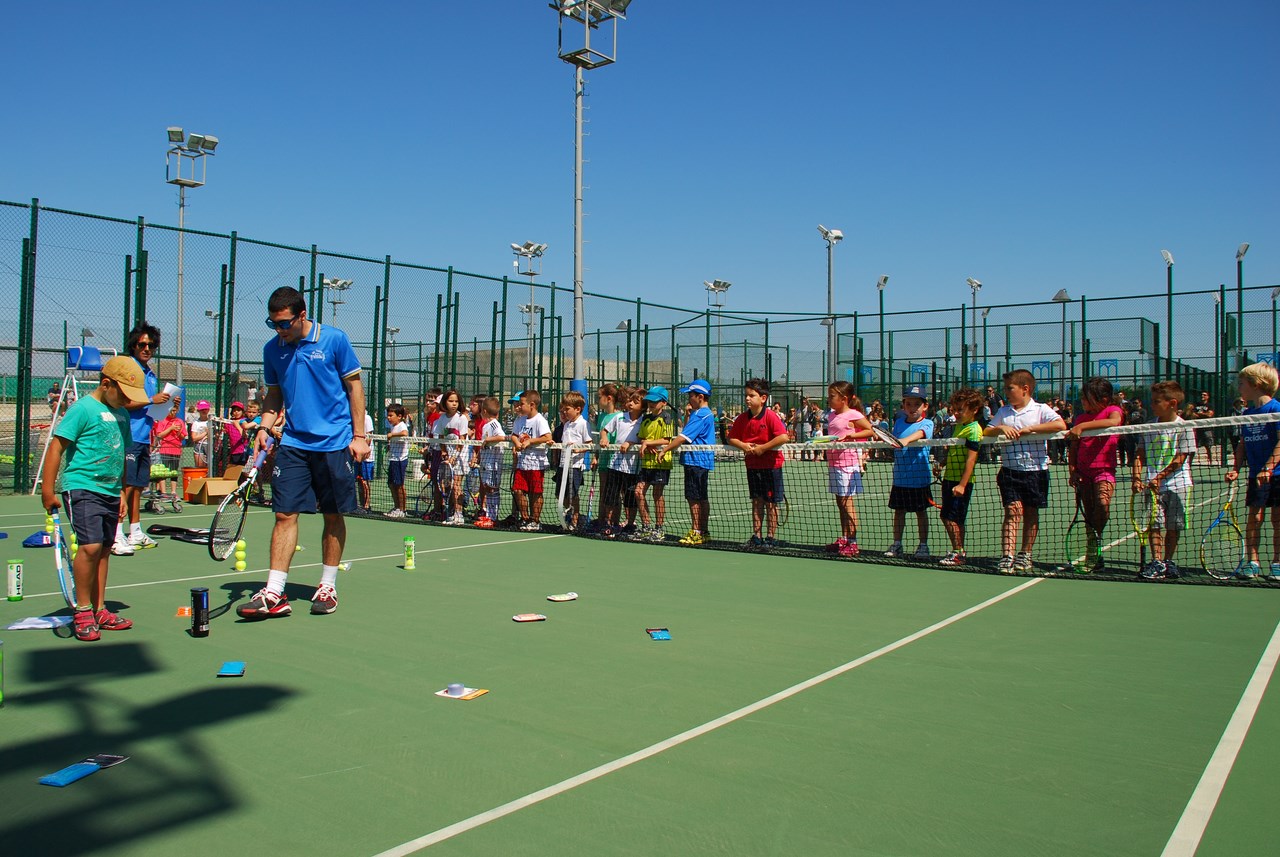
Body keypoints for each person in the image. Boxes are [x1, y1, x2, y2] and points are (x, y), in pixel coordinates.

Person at [237, 285, 368, 619]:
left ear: (302, 315)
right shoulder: (272, 349)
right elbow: (274, 395)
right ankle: (274, 591)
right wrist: (264, 427)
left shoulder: (334, 339)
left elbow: (354, 387)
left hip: (335, 443)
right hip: (294, 443)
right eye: (273, 324)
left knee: (333, 514)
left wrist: (359, 435)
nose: (279, 330)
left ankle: (327, 585)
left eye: (284, 323)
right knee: (284, 514)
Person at [40, 357, 151, 640]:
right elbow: (56, 448)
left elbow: (121, 456)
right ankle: (83, 609)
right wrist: (48, 490)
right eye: (124, 394)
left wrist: (122, 492)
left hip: (111, 491)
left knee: (103, 549)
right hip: (82, 487)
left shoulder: (122, 414)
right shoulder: (83, 409)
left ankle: (100, 608)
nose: (127, 401)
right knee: (89, 547)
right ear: (106, 384)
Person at [984, 369, 1068, 573]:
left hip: (1036, 471)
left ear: (1025, 389)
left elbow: (1060, 425)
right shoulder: (1004, 412)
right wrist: (1001, 428)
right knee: (1012, 511)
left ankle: (1025, 554)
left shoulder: (1041, 409)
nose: (1006, 392)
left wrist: (1031, 429)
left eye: (1009, 388)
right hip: (1009, 470)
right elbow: (987, 430)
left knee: (1030, 513)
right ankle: (1007, 555)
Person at [114, 323, 172, 556]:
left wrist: (168, 405)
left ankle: (135, 531)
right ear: (134, 345)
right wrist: (151, 400)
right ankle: (115, 534)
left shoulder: (151, 374)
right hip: (126, 435)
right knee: (125, 487)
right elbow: (122, 402)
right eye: (142, 344)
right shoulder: (127, 369)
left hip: (143, 437)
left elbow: (151, 410)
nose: (147, 349)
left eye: (151, 345)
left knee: (138, 486)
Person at [1133, 381, 1195, 580]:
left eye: (1156, 401)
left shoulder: (1185, 427)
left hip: (1178, 485)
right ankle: (1157, 562)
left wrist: (1158, 478)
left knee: (1173, 526)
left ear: (1172, 403)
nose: (1152, 405)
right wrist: (1136, 478)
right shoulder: (1149, 426)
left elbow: (1180, 459)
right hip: (1152, 487)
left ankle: (1168, 561)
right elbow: (1139, 454)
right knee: (1155, 525)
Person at [1225, 363, 1280, 579]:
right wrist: (1235, 469)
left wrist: (1268, 468)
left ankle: (1277, 563)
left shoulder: (1275, 409)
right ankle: (1252, 562)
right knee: (1254, 519)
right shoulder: (1247, 413)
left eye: (1241, 383)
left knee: (1277, 520)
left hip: (1276, 474)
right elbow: (1242, 444)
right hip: (1255, 475)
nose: (1238, 388)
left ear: (1256, 384)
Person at [1065, 377, 1125, 573]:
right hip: (1084, 472)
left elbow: (1114, 422)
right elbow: (1074, 447)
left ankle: (1097, 538)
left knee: (1102, 503)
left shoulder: (1113, 410)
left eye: (1087, 397)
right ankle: (1094, 551)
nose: (1082, 400)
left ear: (1103, 399)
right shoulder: (1080, 418)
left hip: (1105, 470)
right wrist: (1072, 470)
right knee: (1089, 513)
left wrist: (1082, 427)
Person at [726, 378, 790, 549]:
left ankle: (770, 537)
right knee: (756, 501)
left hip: (771, 466)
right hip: (753, 466)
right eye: (746, 395)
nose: (747, 398)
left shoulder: (770, 416)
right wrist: (743, 445)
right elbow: (731, 438)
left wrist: (763, 448)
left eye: (751, 395)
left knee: (771, 503)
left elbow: (783, 437)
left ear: (763, 398)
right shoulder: (742, 418)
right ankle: (757, 536)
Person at [656, 379, 717, 546]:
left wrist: (665, 450)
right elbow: (689, 432)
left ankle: (696, 532)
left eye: (691, 395)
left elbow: (682, 437)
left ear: (700, 397)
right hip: (698, 461)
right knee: (701, 497)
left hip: (696, 461)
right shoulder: (701, 414)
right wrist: (689, 415)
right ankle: (703, 532)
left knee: (694, 498)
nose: (689, 398)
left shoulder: (701, 414)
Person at [823, 381, 874, 557]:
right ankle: (844, 538)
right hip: (834, 463)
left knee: (847, 503)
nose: (829, 399)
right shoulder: (831, 415)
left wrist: (851, 435)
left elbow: (870, 431)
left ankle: (853, 542)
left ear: (844, 399)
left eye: (832, 396)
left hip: (847, 465)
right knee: (840, 503)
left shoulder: (853, 414)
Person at [884, 385, 935, 560]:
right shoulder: (899, 423)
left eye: (916, 404)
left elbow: (920, 434)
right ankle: (897, 544)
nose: (912, 408)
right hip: (900, 478)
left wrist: (905, 440)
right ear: (903, 405)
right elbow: (893, 440)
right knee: (899, 512)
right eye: (908, 404)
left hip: (919, 478)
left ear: (925, 406)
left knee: (921, 512)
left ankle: (923, 546)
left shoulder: (928, 423)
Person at [937, 387, 984, 567]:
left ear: (974, 410)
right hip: (949, 478)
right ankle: (959, 550)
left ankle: (958, 552)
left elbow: (971, 460)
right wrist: (942, 464)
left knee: (948, 517)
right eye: (954, 409)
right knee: (954, 518)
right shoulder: (959, 426)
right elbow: (955, 452)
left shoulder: (974, 430)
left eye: (960, 410)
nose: (955, 413)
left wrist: (962, 485)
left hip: (961, 482)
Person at [633, 385, 676, 542]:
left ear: (663, 403)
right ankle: (646, 526)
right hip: (646, 463)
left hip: (661, 463)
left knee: (657, 495)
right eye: (649, 401)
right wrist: (645, 442)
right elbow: (641, 437)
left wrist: (649, 443)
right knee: (638, 492)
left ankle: (659, 528)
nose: (651, 404)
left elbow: (667, 440)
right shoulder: (645, 418)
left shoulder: (667, 418)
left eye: (654, 401)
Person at [601, 387, 643, 537]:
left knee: (630, 499)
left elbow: (643, 438)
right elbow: (605, 430)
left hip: (633, 468)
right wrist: (604, 438)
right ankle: (611, 524)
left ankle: (630, 525)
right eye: (630, 400)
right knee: (611, 497)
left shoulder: (644, 420)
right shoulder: (619, 417)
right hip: (615, 465)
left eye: (635, 401)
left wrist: (630, 443)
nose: (630, 403)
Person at [510, 390, 552, 531]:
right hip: (522, 463)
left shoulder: (540, 420)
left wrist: (530, 441)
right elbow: (514, 435)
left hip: (536, 464)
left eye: (522, 404)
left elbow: (547, 437)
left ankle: (535, 521)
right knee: (517, 490)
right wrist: (517, 442)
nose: (519, 407)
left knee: (536, 493)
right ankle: (525, 518)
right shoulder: (520, 420)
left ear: (532, 405)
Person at [555, 391, 592, 530]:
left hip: (575, 466)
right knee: (560, 494)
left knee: (573, 494)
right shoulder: (566, 425)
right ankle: (568, 516)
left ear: (577, 409)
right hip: (562, 465)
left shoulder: (583, 424)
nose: (564, 412)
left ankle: (575, 521)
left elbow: (589, 444)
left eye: (567, 409)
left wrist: (578, 449)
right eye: (563, 409)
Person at [434, 390, 471, 526]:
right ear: (445, 402)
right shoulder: (442, 419)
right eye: (451, 401)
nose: (454, 404)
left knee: (456, 485)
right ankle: (453, 512)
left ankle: (459, 514)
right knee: (449, 486)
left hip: (460, 457)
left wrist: (455, 456)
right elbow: (441, 438)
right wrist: (444, 452)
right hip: (449, 457)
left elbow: (462, 440)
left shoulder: (461, 418)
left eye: (456, 401)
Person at [592, 384, 623, 531]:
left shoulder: (620, 417)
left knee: (614, 494)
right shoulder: (602, 417)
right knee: (603, 491)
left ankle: (613, 522)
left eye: (599, 397)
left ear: (609, 398)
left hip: (615, 462)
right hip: (603, 461)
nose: (597, 400)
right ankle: (602, 520)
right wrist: (596, 456)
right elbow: (600, 438)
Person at [475, 396, 506, 528]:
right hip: (486, 463)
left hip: (493, 464)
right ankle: (489, 515)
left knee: (492, 489)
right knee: (487, 488)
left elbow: (501, 436)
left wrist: (488, 440)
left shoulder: (494, 424)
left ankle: (493, 518)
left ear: (484, 411)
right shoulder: (485, 426)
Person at [150, 402, 187, 497]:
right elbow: (159, 435)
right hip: (165, 449)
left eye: (175, 411)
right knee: (163, 471)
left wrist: (178, 432)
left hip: (176, 449)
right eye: (171, 411)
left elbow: (183, 436)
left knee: (174, 471)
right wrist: (171, 428)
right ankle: (163, 492)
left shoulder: (179, 421)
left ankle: (173, 492)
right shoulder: (163, 420)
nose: (173, 413)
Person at [384, 404, 410, 519]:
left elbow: (405, 433)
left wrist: (392, 435)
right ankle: (396, 507)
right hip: (393, 459)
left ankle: (402, 510)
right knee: (391, 484)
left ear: (399, 416)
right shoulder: (393, 426)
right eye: (388, 415)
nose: (388, 418)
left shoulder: (401, 425)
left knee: (399, 485)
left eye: (391, 415)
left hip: (400, 460)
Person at [1188, 390, 1216, 465]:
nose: (1202, 396)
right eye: (1201, 395)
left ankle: (1211, 462)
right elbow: (1192, 414)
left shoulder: (1210, 406)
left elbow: (1209, 415)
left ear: (1207, 397)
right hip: (1197, 429)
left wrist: (1200, 414)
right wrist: (1202, 414)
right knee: (1194, 446)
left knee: (1208, 446)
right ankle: (1189, 463)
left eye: (1204, 395)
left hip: (1206, 428)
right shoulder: (1196, 405)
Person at [357, 410, 375, 512]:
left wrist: (363, 452)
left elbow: (369, 437)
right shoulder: (354, 418)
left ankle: (367, 505)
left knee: (365, 481)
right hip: (357, 457)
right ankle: (361, 504)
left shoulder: (367, 418)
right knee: (360, 480)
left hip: (367, 458)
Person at [224, 401, 249, 466]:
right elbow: (224, 431)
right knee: (233, 470)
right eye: (234, 410)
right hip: (234, 451)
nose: (236, 412)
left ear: (242, 412)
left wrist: (237, 425)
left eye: (238, 410)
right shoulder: (230, 422)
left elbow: (245, 435)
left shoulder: (245, 421)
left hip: (244, 451)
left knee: (244, 469)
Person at [190, 400, 211, 469]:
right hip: (199, 445)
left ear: (208, 410)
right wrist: (205, 433)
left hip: (210, 445)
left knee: (210, 467)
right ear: (198, 410)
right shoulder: (196, 423)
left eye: (205, 409)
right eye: (202, 409)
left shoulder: (212, 421)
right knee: (200, 467)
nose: (204, 411)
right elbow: (194, 438)